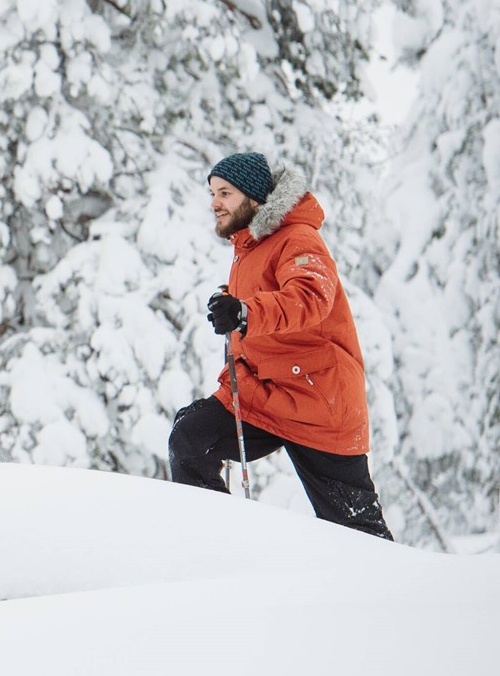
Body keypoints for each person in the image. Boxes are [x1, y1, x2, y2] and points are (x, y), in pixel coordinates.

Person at [168, 151, 394, 539]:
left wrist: (245, 312)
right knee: (191, 439)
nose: (214, 203)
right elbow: (265, 302)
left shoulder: (298, 237)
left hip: (317, 402)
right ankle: (214, 546)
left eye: (225, 193)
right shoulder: (249, 247)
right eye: (212, 193)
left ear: (254, 198)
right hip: (267, 391)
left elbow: (310, 297)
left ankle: (406, 589)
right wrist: (233, 301)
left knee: (359, 531)